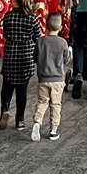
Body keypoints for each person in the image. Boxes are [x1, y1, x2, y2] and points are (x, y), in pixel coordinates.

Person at [0, 0, 41, 132]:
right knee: (22, 91)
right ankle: (20, 120)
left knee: (7, 87)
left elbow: (5, 34)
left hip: (10, 56)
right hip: (26, 58)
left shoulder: (8, 16)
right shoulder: (33, 18)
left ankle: (4, 109)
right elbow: (38, 37)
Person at [31, 11, 71, 141]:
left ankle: (37, 121)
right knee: (55, 105)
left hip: (43, 79)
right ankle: (53, 130)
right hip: (58, 80)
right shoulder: (63, 42)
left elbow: (35, 58)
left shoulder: (40, 41)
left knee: (42, 102)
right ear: (60, 28)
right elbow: (66, 60)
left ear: (45, 27)